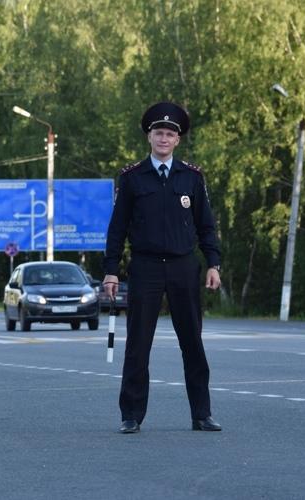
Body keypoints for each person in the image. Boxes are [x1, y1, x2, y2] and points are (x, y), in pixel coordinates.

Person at [102, 102, 222, 434]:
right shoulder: (131, 178)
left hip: (184, 267)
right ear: (149, 137)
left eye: (170, 134)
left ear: (178, 140)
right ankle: (131, 415)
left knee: (192, 343)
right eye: (159, 133)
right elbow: (117, 228)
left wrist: (213, 263)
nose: (164, 139)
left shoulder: (192, 177)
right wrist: (111, 270)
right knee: (138, 344)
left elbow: (206, 226)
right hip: (146, 268)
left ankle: (202, 414)